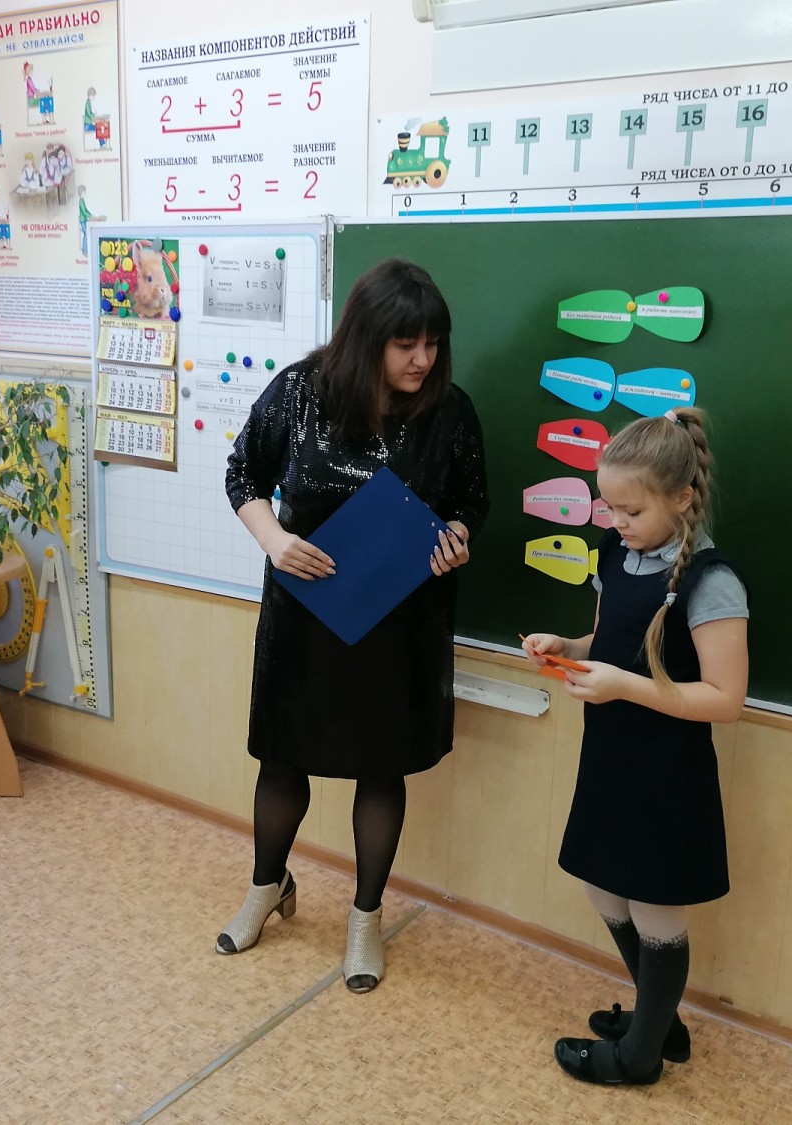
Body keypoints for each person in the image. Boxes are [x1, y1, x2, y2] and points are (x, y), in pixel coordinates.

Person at [221, 258, 488, 992]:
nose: (422, 359)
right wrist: (274, 540)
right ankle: (267, 887)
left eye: (433, 343)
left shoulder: (450, 411)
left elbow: (471, 501)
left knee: (381, 766)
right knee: (283, 759)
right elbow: (243, 474)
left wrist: (458, 536)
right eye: (406, 344)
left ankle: (365, 918)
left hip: (400, 621)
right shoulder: (300, 392)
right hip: (305, 614)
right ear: (367, 337)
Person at [522, 408, 748, 1086]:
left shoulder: (711, 580)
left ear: (681, 497)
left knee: (654, 907)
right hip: (611, 756)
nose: (616, 521)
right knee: (602, 886)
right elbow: (611, 639)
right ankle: (660, 1020)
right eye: (609, 507)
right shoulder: (617, 554)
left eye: (632, 510)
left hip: (666, 770)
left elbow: (725, 698)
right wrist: (568, 647)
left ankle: (640, 1056)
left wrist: (625, 685)